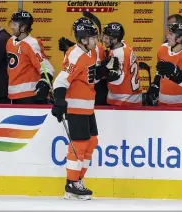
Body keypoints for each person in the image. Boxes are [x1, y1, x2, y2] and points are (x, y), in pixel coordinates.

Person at [51, 18, 118, 200]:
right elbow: (61, 80)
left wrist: (101, 72)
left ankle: (77, 181)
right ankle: (71, 184)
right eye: (92, 37)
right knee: (79, 145)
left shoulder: (92, 51)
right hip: (76, 107)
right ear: (82, 39)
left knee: (92, 142)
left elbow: (89, 76)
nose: (96, 40)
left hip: (88, 106)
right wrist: (59, 101)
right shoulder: (75, 55)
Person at [146, 23, 182, 107]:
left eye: (171, 34)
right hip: (163, 102)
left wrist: (173, 70)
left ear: (179, 38)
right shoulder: (162, 49)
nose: (167, 37)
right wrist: (155, 85)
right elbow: (160, 71)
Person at [6, 10, 54, 104]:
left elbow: (46, 67)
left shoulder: (32, 43)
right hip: (12, 94)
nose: (12, 27)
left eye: (15, 24)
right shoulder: (10, 42)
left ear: (23, 27)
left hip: (30, 95)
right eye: (11, 23)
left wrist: (44, 82)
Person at [58, 18, 108, 106]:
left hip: (96, 88)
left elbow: (90, 71)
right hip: (86, 92)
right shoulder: (84, 48)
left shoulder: (94, 48)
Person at [100, 22, 142, 106]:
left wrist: (104, 73)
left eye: (107, 38)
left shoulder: (119, 54)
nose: (104, 40)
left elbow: (118, 80)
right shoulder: (123, 44)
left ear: (115, 40)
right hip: (132, 96)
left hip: (124, 100)